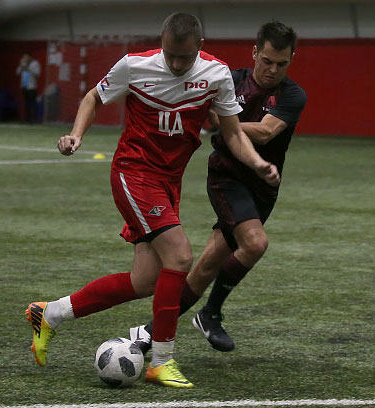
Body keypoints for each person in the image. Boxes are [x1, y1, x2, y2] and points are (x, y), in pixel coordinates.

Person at [25, 12, 280, 389]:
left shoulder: (216, 74)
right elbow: (94, 97)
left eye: (184, 57)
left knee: (144, 280)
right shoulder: (134, 65)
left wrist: (257, 163)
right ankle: (161, 360)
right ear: (161, 44)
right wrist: (77, 134)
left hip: (168, 182)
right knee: (180, 256)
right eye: (169, 55)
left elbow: (233, 133)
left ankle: (49, 314)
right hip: (133, 172)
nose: (175, 64)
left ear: (200, 46)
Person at [128, 20, 306, 354]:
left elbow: (266, 131)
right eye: (267, 60)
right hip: (227, 178)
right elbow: (205, 115)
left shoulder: (293, 94)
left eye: (281, 64)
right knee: (255, 243)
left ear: (291, 60)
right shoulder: (230, 80)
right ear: (254, 52)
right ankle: (210, 313)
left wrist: (225, 121)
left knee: (207, 267)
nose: (272, 69)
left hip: (263, 188)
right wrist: (220, 121)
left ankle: (148, 333)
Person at [16, 52, 41, 123]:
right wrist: (21, 65)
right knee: (26, 103)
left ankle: (33, 119)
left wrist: (28, 68)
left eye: (26, 57)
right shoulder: (23, 64)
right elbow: (17, 72)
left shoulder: (35, 64)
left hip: (32, 86)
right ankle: (26, 118)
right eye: (24, 57)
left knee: (32, 103)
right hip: (24, 86)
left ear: (30, 57)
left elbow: (37, 74)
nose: (25, 59)